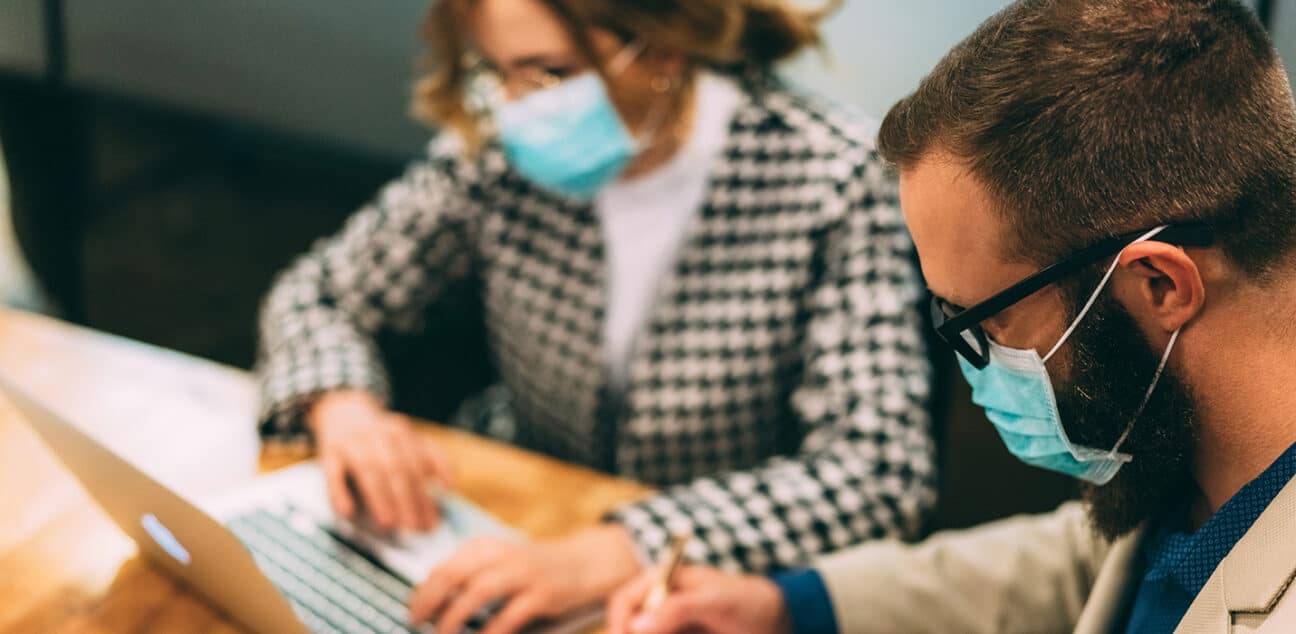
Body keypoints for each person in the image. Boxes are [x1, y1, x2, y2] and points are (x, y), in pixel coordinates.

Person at [606, 0, 1296, 632]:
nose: (980, 370)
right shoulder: (1199, 475)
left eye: (985, 322)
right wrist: (787, 605)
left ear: (1160, 284)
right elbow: (1087, 563)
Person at [255, 0, 938, 630]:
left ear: (665, 48)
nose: (518, 106)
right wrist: (340, 404)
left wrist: (624, 546)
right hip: (506, 514)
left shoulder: (832, 176)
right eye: (497, 72)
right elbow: (318, 292)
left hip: (701, 574)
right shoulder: (499, 153)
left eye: (549, 74)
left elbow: (880, 471)